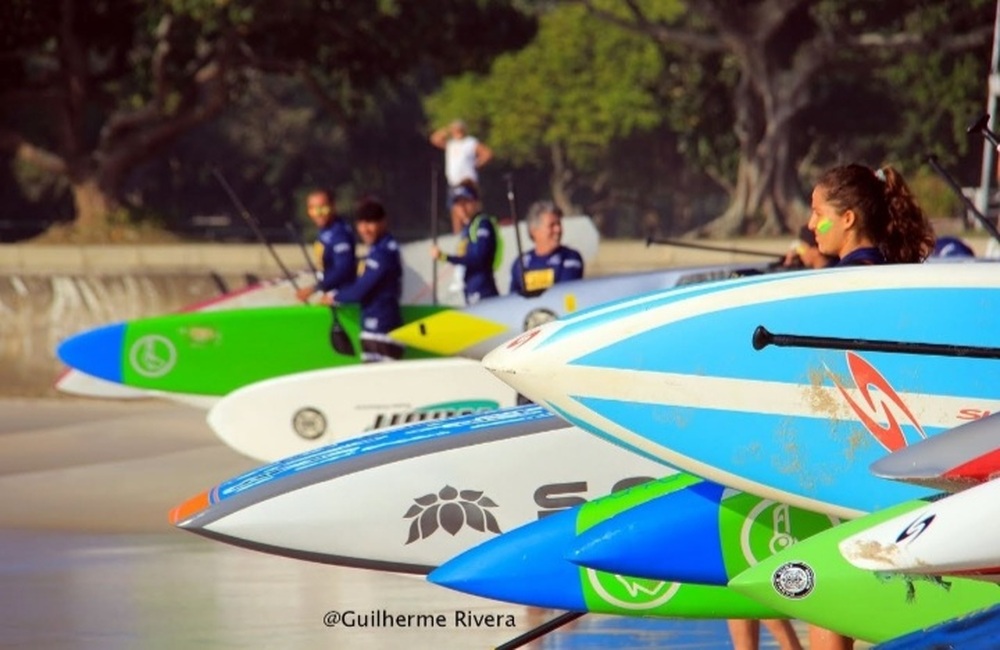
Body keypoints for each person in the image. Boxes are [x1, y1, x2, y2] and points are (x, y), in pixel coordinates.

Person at [325, 197, 404, 363]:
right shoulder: (378, 248)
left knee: (381, 385)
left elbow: (360, 290)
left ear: (383, 222)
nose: (365, 229)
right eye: (361, 223)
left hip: (382, 331)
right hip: (374, 329)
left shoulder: (384, 252)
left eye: (371, 223)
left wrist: (334, 297)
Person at [808, 164, 935, 267]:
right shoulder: (886, 267)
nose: (811, 225)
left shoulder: (845, 281)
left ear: (848, 219)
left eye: (818, 214)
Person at [430, 181, 501, 305]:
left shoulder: (482, 223)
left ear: (476, 202)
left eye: (466, 202)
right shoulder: (467, 228)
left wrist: (445, 256)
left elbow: (478, 258)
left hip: (483, 290)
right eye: (457, 203)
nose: (461, 207)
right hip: (470, 289)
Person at [430, 119, 493, 234]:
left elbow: (487, 153)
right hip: (454, 181)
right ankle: (458, 235)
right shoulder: (451, 144)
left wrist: (477, 164)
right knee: (455, 209)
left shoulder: (470, 143)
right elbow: (435, 139)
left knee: (469, 206)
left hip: (467, 180)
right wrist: (447, 130)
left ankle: (473, 228)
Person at [509, 200, 584, 295]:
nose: (558, 229)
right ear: (534, 231)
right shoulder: (520, 263)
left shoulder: (570, 257)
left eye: (559, 224)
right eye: (552, 225)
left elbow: (565, 293)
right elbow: (513, 300)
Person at [295, 189, 357, 302]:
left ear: (333, 207)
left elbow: (344, 268)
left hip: (341, 294)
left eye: (323, 208)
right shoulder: (324, 230)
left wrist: (315, 288)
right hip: (330, 291)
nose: (318, 213)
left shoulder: (339, 233)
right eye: (313, 209)